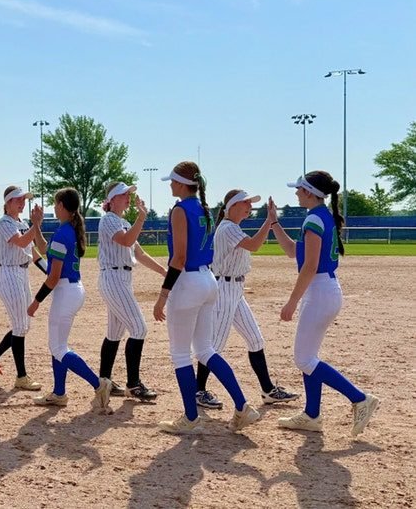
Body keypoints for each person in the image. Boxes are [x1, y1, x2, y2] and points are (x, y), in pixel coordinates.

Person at [153, 162, 260, 434]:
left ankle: (191, 419)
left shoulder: (180, 210)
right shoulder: (204, 208)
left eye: (173, 181)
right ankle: (242, 405)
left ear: (182, 183)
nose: (170, 185)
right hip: (209, 280)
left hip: (187, 282)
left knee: (181, 354)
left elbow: (179, 258)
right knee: (205, 350)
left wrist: (163, 295)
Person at [270, 172, 379, 435]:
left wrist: (291, 302)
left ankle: (359, 398)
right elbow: (293, 251)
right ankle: (312, 414)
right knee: (308, 357)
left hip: (319, 291)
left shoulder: (314, 219)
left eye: (299, 189)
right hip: (324, 290)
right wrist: (273, 223)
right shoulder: (320, 216)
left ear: (309, 192)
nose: (296, 193)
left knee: (304, 359)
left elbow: (309, 266)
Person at [195, 189, 300, 409]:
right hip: (224, 290)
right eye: (245, 203)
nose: (249, 207)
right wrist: (269, 221)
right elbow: (254, 245)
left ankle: (268, 390)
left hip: (235, 290)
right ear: (232, 206)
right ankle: (198, 391)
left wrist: (270, 222)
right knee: (214, 345)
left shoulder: (233, 227)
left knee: (255, 340)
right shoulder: (228, 228)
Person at [27, 188, 112, 409]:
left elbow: (53, 277)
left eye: (56, 204)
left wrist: (36, 301)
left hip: (65, 292)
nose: (54, 207)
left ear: (62, 206)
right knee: (58, 345)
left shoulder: (63, 233)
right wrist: (36, 225)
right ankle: (59, 393)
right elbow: (44, 249)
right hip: (72, 290)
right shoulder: (68, 230)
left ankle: (99, 384)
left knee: (58, 348)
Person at [97, 182, 167, 401]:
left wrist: (164, 272)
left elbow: (140, 254)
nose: (128, 197)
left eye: (129, 194)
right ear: (111, 200)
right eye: (123, 194)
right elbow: (126, 240)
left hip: (122, 279)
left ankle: (104, 382)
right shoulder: (109, 220)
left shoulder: (124, 222)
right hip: (113, 278)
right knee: (139, 328)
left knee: (114, 333)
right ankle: (133, 385)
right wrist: (141, 218)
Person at [0, 186, 47, 391]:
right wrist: (36, 225)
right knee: (20, 326)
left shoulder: (22, 223)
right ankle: (21, 377)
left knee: (24, 326)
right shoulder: (4, 223)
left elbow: (33, 253)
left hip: (22, 274)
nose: (22, 203)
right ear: (8, 202)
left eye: (24, 200)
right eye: (18, 199)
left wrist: (50, 272)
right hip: (9, 274)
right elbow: (21, 241)